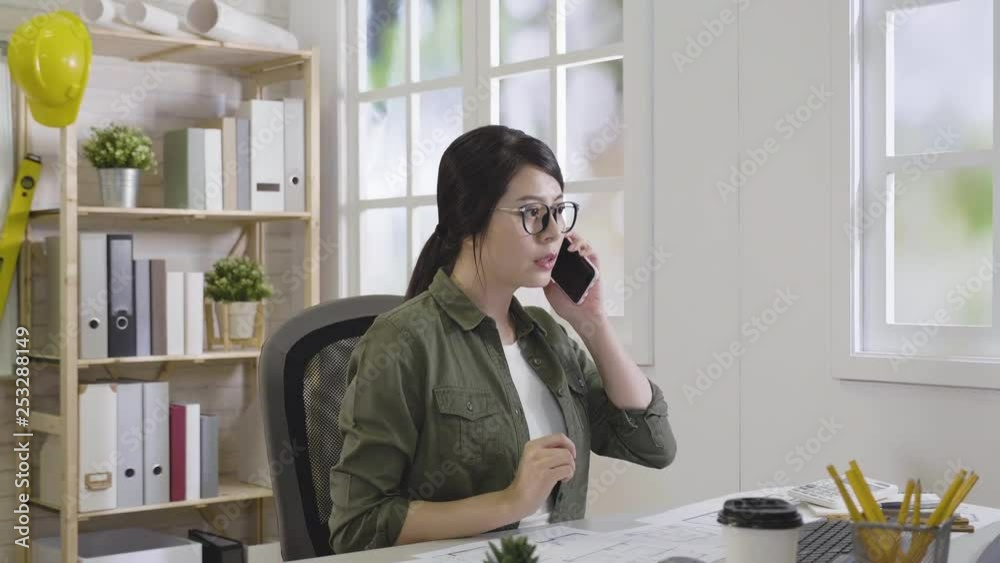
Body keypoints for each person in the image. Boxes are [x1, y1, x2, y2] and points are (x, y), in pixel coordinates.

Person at [328, 125, 677, 553]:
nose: (553, 232)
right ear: (468, 218)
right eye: (532, 213)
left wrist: (592, 322)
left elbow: (654, 445)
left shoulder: (548, 337)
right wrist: (511, 501)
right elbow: (359, 525)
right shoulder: (402, 342)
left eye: (558, 210)